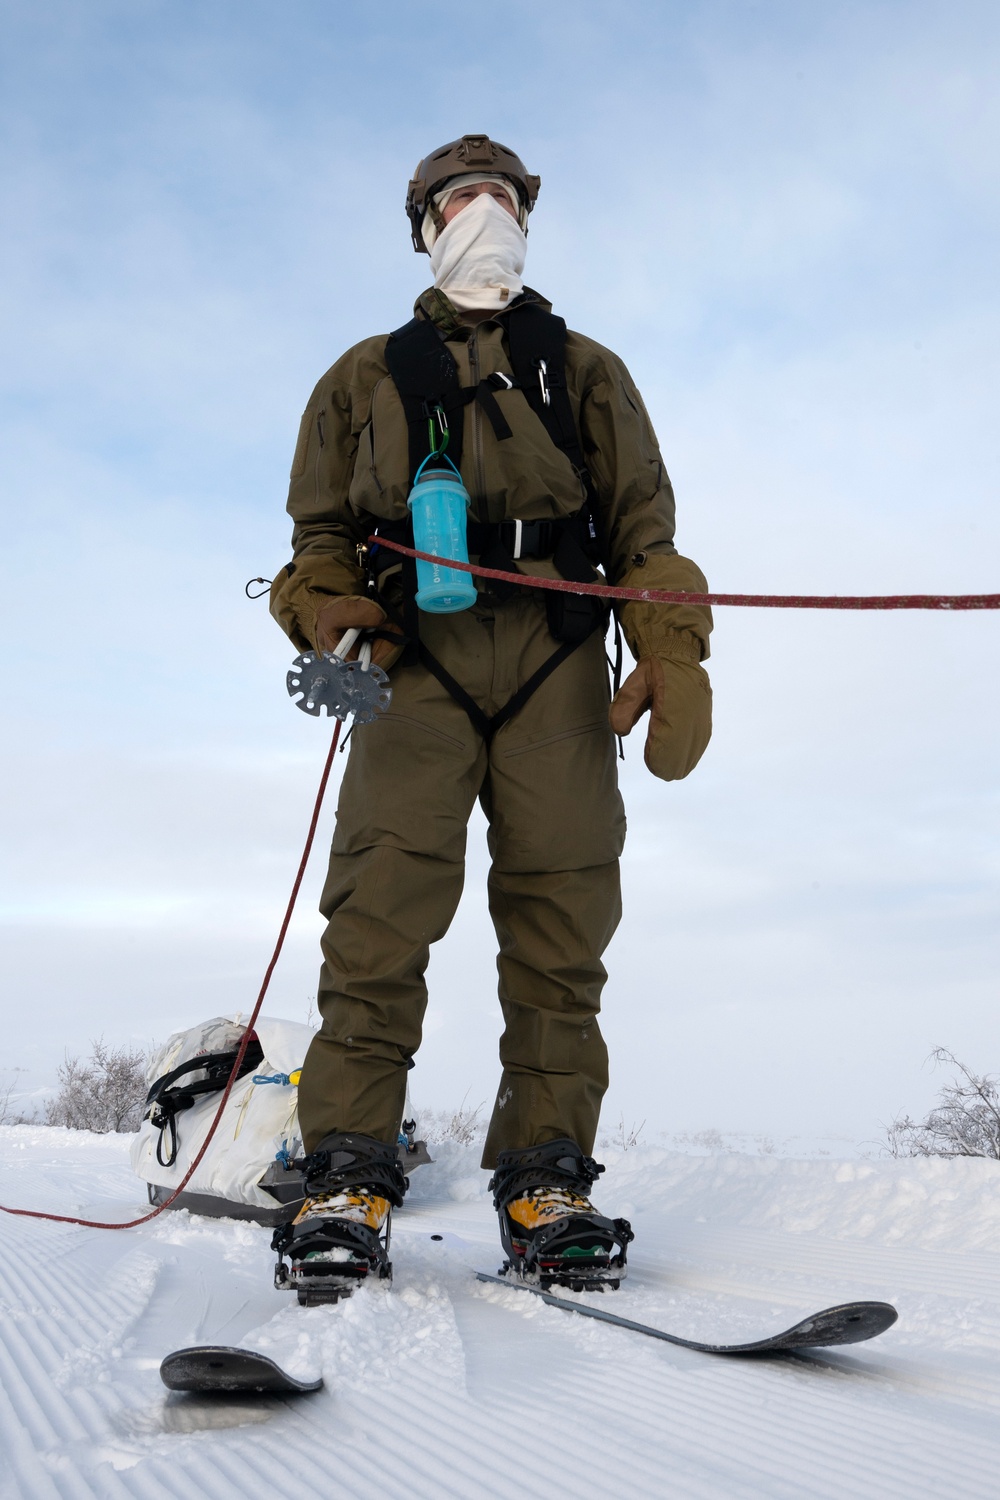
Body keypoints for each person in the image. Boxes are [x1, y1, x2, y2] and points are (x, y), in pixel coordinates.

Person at [268, 134, 713, 1301]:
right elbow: (314, 540)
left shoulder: (587, 370)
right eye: (463, 198)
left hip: (558, 665)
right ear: (422, 224)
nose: (487, 211)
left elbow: (646, 534)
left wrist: (671, 644)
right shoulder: (362, 375)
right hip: (412, 665)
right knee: (377, 915)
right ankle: (345, 1173)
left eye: (506, 196)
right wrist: (320, 608)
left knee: (564, 924)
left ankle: (543, 1175)